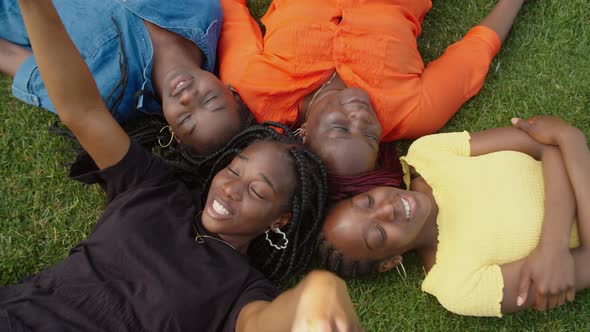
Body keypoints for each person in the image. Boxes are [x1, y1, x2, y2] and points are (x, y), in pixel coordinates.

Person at [0, 1, 365, 331]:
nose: (230, 188)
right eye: (235, 169)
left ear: (279, 220)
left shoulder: (240, 291)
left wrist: (319, 290)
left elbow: (268, 324)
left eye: (257, 190)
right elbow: (82, 111)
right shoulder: (154, 187)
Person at [219, 0, 528, 180]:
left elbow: (230, 12)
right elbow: (476, 52)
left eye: (341, 127)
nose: (359, 117)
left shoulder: (253, 89)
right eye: (369, 135)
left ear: (302, 134)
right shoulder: (413, 113)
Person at [318, 115, 590, 317]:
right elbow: (556, 143)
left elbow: (547, 144)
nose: (386, 209)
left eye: (367, 201)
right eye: (377, 234)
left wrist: (553, 245)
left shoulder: (427, 155)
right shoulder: (456, 285)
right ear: (390, 262)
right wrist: (571, 143)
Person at [0, 0, 251, 155]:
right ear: (231, 92)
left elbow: (11, 55)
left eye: (185, 118)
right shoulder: (203, 9)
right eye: (209, 100)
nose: (188, 98)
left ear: (173, 132)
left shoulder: (103, 93)